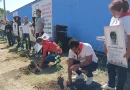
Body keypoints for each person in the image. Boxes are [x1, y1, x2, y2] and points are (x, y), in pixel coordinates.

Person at [103, 0, 130, 90]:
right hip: (113, 47)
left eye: (114, 12)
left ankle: (119, 88)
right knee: (110, 66)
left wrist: (128, 52)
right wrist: (105, 44)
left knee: (121, 70)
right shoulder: (114, 18)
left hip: (123, 49)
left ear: (121, 10)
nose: (112, 14)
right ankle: (111, 85)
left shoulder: (127, 19)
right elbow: (109, 32)